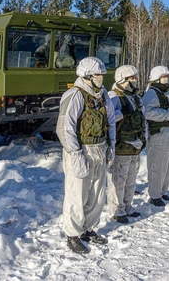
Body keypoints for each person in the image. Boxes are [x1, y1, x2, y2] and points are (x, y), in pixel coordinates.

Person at [56, 57, 116, 254]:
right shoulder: (74, 95)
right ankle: (72, 234)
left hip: (100, 147)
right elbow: (65, 128)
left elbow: (111, 121)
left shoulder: (102, 94)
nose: (102, 78)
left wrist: (111, 146)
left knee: (97, 193)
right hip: (82, 150)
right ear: (88, 76)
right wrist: (76, 154)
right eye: (99, 75)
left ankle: (88, 228)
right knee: (77, 193)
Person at [107, 65, 147, 223]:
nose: (135, 80)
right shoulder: (114, 96)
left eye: (135, 77)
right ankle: (117, 210)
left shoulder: (136, 97)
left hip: (135, 145)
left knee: (131, 179)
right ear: (122, 79)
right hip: (121, 145)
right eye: (132, 78)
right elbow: (108, 118)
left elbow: (143, 118)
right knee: (118, 180)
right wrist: (121, 113)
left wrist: (144, 136)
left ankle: (127, 206)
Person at [142, 65, 169, 206]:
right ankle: (155, 195)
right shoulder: (152, 93)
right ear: (156, 78)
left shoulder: (166, 93)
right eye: (164, 76)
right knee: (157, 165)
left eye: (167, 76)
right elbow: (147, 112)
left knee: (168, 165)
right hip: (159, 133)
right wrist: (166, 116)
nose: (167, 79)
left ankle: (163, 192)